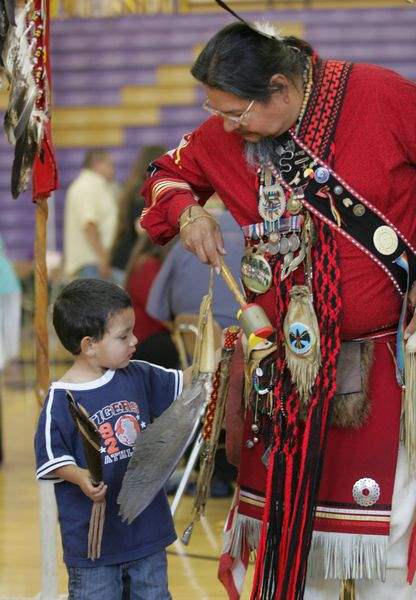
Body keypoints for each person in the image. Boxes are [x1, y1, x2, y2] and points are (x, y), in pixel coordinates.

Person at [139, 15, 416, 600]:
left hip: (386, 361)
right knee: (286, 535)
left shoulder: (380, 96)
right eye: (215, 112)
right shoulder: (228, 131)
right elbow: (164, 174)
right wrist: (189, 212)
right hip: (282, 374)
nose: (223, 126)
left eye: (234, 113)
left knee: (385, 549)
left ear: (281, 89)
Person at [34, 278, 189, 599]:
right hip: (95, 547)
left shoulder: (138, 373)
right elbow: (52, 456)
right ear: (89, 345)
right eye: (123, 335)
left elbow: (188, 384)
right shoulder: (61, 399)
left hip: (146, 532)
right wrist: (79, 476)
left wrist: (221, 354)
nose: (135, 340)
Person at [146, 196, 245, 330]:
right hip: (248, 341)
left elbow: (156, 308)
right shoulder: (257, 243)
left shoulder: (186, 242)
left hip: (190, 343)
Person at [110, 145, 167, 280]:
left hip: (125, 258)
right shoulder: (142, 190)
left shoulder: (135, 186)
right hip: (129, 261)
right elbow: (141, 227)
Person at [63, 149, 119, 282]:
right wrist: (103, 259)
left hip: (95, 264)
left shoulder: (97, 186)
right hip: (93, 265)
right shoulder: (87, 186)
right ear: (97, 164)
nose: (113, 170)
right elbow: (89, 225)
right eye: (110, 165)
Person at [125, 233, 179, 368]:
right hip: (147, 340)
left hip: (142, 338)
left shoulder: (141, 263)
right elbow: (157, 311)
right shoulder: (148, 266)